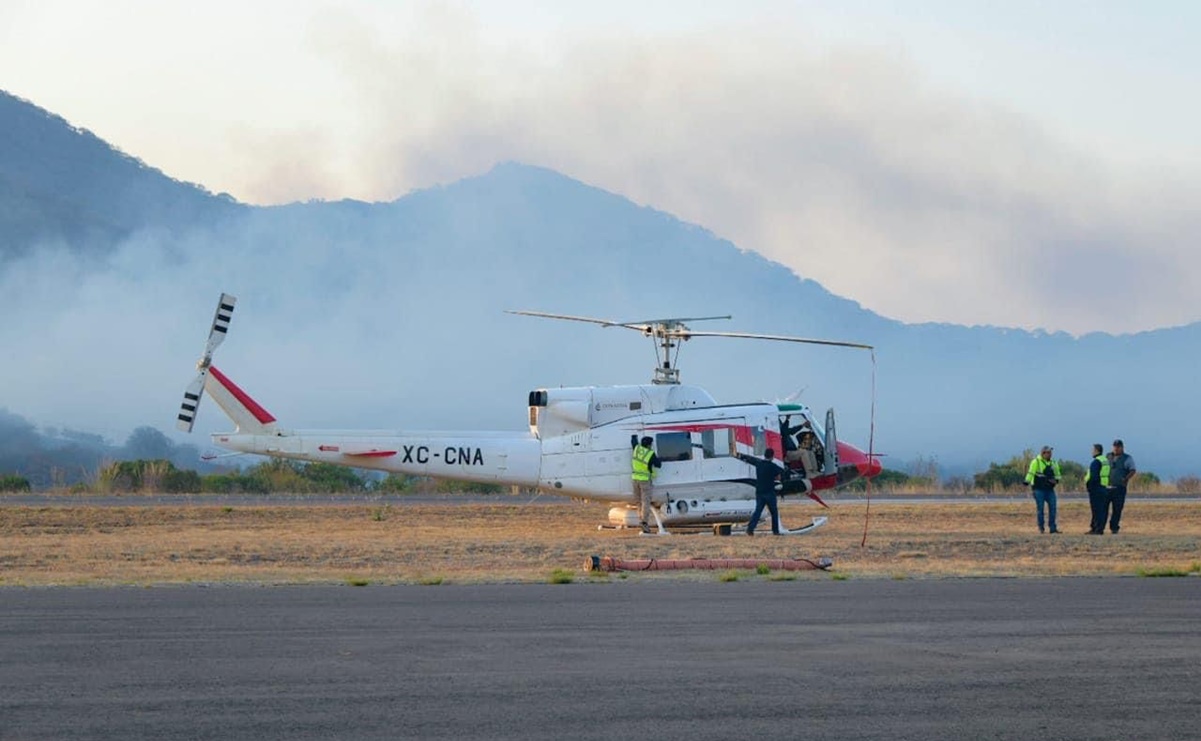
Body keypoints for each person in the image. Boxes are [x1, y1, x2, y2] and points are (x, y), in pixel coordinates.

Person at [737, 447, 785, 536]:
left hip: (759, 491)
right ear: (772, 456)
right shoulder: (773, 466)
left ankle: (750, 529)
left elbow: (751, 461)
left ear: (765, 455)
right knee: (774, 512)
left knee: (758, 511)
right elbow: (778, 477)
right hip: (770, 492)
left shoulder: (759, 464)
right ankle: (775, 531)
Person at [1025, 445, 1062, 534]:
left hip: (1049, 489)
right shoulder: (1036, 462)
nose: (1050, 454)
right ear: (1043, 453)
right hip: (1038, 489)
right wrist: (1026, 481)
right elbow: (1031, 473)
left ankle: (1053, 528)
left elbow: (1057, 473)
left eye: (1050, 452)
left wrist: (1056, 481)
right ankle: (1041, 527)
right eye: (1048, 453)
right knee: (1040, 509)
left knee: (1053, 508)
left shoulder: (1054, 463)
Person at [630, 435, 662, 534]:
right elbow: (658, 465)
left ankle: (641, 519)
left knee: (638, 502)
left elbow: (633, 442)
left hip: (635, 479)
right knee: (646, 502)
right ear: (648, 445)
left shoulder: (636, 449)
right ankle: (644, 522)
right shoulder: (650, 454)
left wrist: (634, 436)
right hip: (645, 481)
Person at [1105, 439, 1136, 534]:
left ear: (1122, 447)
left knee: (1117, 509)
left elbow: (1133, 470)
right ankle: (1100, 526)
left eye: (1118, 447)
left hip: (1119, 488)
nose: (1116, 448)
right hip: (1107, 487)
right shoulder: (1108, 456)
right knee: (1103, 508)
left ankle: (1114, 527)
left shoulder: (1127, 458)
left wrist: (1126, 478)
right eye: (1114, 446)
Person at [1083, 443, 1110, 534]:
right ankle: (1099, 528)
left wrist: (1089, 486)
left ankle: (1096, 529)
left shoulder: (1096, 462)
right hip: (1104, 487)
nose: (1091, 452)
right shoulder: (1105, 460)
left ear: (1096, 451)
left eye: (1092, 450)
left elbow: (1094, 476)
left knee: (1096, 509)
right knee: (1102, 509)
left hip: (1096, 488)